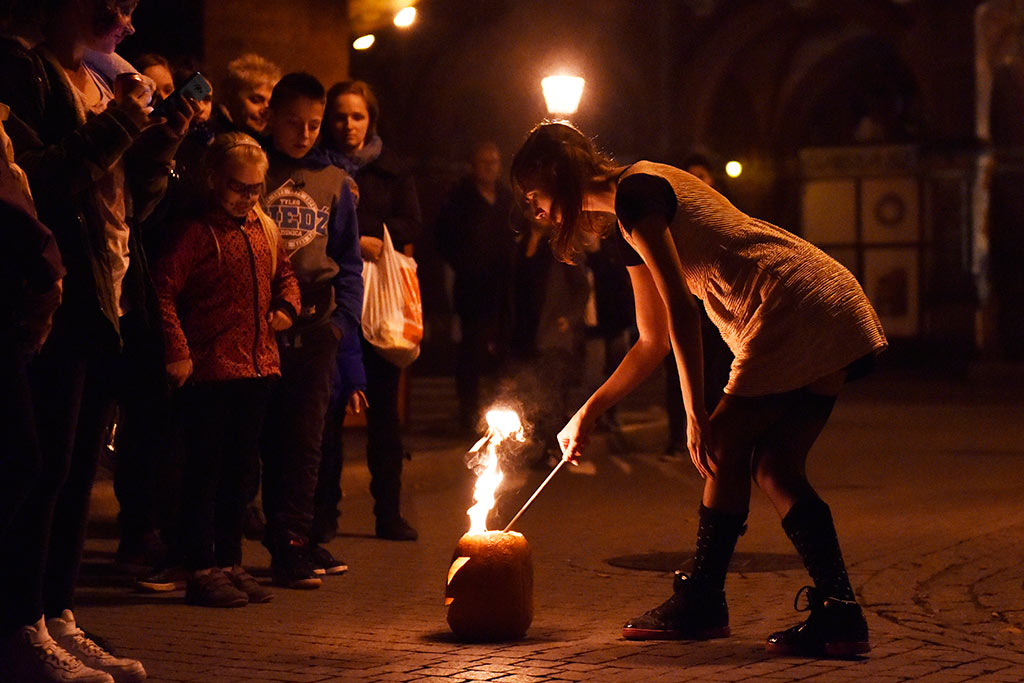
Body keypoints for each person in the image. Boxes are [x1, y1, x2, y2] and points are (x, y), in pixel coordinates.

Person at [511, 122, 887, 657]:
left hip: (790, 303)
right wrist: (588, 411)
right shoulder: (633, 216)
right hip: (823, 299)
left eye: (534, 195)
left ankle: (704, 602)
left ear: (555, 174)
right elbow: (651, 341)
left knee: (723, 449)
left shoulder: (637, 196)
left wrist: (694, 414)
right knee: (774, 468)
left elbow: (684, 314)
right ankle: (841, 614)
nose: (536, 211)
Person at [0, 0, 197, 679]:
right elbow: (39, 186)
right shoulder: (27, 74)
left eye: (137, 8)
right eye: (115, 3)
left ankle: (57, 614)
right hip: (60, 294)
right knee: (42, 466)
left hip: (108, 295)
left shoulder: (97, 79)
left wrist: (160, 143)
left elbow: (130, 205)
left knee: (78, 470)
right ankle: (20, 624)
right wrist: (116, 127)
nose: (129, 22)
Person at [153, 132, 300, 607]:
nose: (249, 197)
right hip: (211, 370)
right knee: (205, 471)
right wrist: (177, 350)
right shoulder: (196, 232)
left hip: (258, 368)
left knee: (241, 472)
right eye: (239, 187)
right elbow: (163, 291)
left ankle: (231, 562)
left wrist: (287, 308)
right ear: (214, 180)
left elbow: (286, 274)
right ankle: (200, 566)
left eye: (256, 188)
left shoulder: (263, 228)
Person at [260, 72, 363, 586]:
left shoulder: (334, 181)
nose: (304, 134)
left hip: (317, 323)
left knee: (306, 441)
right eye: (294, 123)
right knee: (256, 437)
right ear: (271, 120)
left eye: (314, 124)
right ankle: (234, 540)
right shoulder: (253, 170)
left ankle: (294, 541)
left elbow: (347, 258)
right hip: (258, 323)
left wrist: (343, 322)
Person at [317, 79, 422, 542]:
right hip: (332, 302)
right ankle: (323, 516)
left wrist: (372, 233)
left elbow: (412, 221)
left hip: (378, 308)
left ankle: (389, 513)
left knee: (384, 415)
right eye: (339, 115)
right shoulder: (316, 167)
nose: (348, 125)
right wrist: (355, 241)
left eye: (357, 116)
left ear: (370, 120)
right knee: (328, 413)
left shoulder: (392, 170)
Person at [435, 141, 516, 433]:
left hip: (503, 287)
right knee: (471, 352)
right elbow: (443, 237)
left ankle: (499, 414)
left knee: (502, 352)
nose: (490, 168)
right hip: (472, 288)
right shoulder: (460, 199)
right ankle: (469, 413)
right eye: (484, 163)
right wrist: (464, 262)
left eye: (494, 162)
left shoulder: (506, 199)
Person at [662, 153, 733, 458]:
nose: (697, 183)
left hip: (717, 313)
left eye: (701, 176)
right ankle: (678, 437)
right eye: (690, 177)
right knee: (678, 377)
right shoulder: (670, 220)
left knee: (717, 378)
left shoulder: (724, 214)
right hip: (682, 308)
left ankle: (717, 437)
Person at [211, 52, 280, 140]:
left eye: (271, 103)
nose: (266, 111)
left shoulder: (266, 143)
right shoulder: (209, 137)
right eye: (256, 100)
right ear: (231, 96)